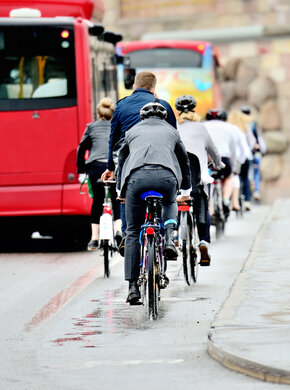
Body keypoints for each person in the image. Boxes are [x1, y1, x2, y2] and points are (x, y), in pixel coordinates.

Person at [116, 102, 191, 304]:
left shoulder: (131, 131)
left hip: (136, 179)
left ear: (142, 117)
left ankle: (132, 287)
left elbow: (122, 159)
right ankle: (168, 238)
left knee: (132, 231)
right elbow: (184, 161)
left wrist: (119, 188)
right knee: (169, 202)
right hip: (166, 178)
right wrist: (186, 188)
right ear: (164, 118)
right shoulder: (172, 132)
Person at [101, 71, 176, 253]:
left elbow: (113, 140)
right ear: (153, 88)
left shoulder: (121, 106)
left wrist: (111, 167)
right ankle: (167, 237)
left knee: (125, 195)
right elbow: (174, 138)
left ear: (134, 86)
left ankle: (128, 234)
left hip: (130, 162)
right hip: (161, 164)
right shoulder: (162, 105)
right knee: (168, 199)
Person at [174, 95, 225, 265]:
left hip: (176, 180)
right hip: (197, 178)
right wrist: (218, 164)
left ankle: (173, 235)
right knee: (202, 203)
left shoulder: (173, 127)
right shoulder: (201, 128)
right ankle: (203, 241)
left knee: (170, 201)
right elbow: (213, 150)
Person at [77, 97, 121, 251]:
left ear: (98, 112)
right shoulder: (117, 126)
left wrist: (81, 171)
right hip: (113, 166)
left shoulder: (91, 127)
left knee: (97, 200)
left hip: (95, 167)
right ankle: (118, 230)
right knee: (116, 199)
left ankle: (94, 239)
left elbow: (81, 149)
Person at [204, 109, 237, 218]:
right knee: (228, 177)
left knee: (206, 179)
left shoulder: (203, 126)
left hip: (208, 158)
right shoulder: (229, 127)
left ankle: (209, 206)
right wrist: (234, 165)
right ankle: (226, 199)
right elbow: (233, 149)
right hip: (224, 158)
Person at [227, 109, 256, 211]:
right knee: (245, 178)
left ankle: (231, 199)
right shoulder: (245, 127)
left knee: (233, 177)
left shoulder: (229, 127)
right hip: (244, 156)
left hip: (232, 157)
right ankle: (247, 200)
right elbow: (252, 141)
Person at [240, 106, 267, 201]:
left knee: (245, 174)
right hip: (253, 153)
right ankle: (256, 191)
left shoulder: (238, 125)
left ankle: (247, 193)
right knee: (254, 172)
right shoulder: (252, 124)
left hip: (242, 154)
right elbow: (256, 140)